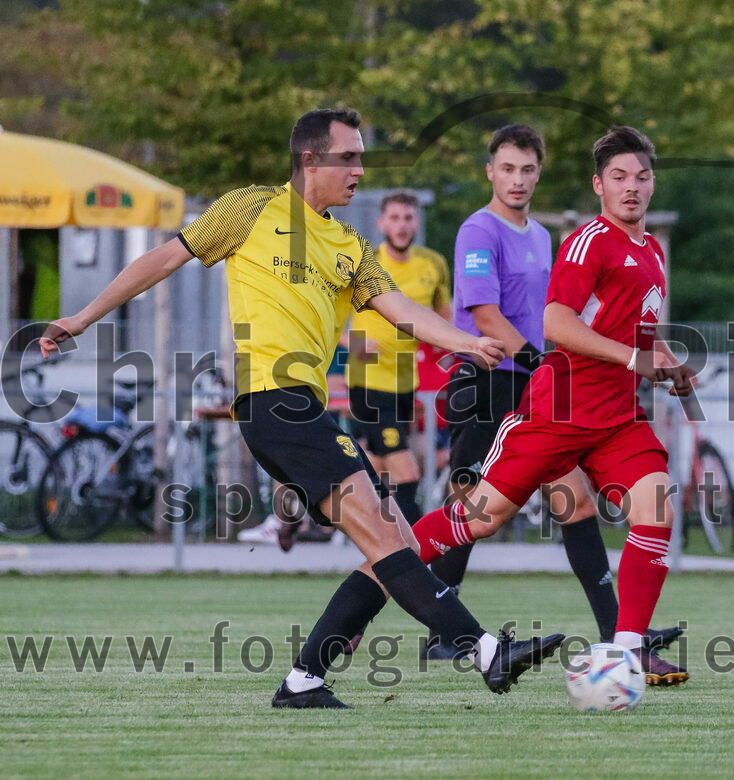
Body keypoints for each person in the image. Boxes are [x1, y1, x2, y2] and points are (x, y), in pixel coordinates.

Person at [39, 107, 564, 708]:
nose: (361, 170)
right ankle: (484, 651)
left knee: (393, 541)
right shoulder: (250, 209)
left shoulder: (350, 246)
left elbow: (402, 312)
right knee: (385, 534)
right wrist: (81, 317)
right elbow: (162, 260)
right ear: (310, 159)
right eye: (350, 157)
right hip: (271, 401)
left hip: (302, 407)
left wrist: (465, 340)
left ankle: (304, 681)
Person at [411, 126, 694, 686]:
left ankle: (626, 645)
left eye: (641, 178)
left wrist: (664, 360)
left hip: (608, 414)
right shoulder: (499, 232)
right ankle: (388, 576)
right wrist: (553, 363)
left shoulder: (592, 244)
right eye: (619, 178)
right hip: (509, 386)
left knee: (633, 505)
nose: (631, 188)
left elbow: (626, 328)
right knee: (475, 515)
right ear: (598, 185)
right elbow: (535, 318)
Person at [344, 191, 450, 526]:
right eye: (394, 218)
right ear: (381, 223)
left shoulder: (432, 264)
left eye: (407, 218)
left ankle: (317, 516)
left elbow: (444, 317)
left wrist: (471, 347)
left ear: (417, 222)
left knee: (374, 469)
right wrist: (353, 341)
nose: (401, 225)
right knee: (407, 473)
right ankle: (421, 554)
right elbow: (325, 319)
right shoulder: (363, 263)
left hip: (408, 383)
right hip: (369, 382)